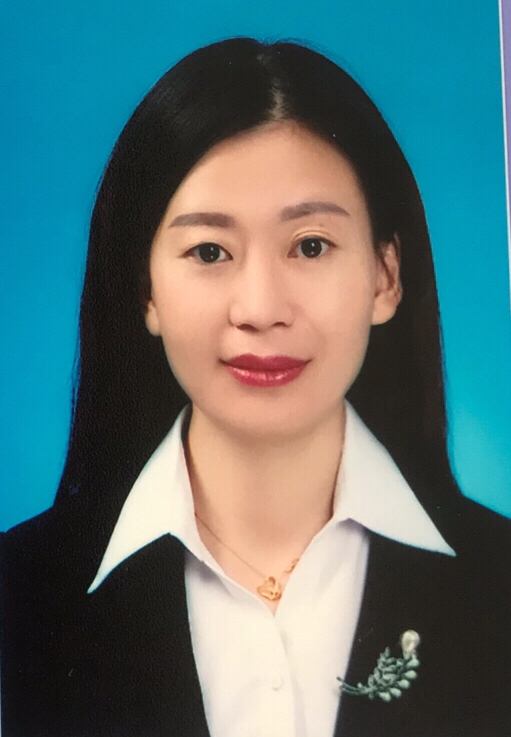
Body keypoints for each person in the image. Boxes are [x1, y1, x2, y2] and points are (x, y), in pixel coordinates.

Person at [1, 37, 510, 737]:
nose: (261, 308)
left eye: (310, 245)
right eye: (210, 251)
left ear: (385, 277)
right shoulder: (19, 594)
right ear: (145, 290)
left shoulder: (499, 580)